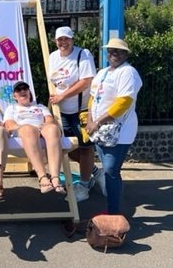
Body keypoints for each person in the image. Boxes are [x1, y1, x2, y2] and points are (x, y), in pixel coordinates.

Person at [86, 38, 142, 215]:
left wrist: (97, 121)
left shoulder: (128, 72)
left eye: (118, 51)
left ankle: (113, 212)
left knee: (111, 170)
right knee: (107, 168)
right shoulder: (102, 72)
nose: (113, 54)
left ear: (125, 54)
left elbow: (123, 102)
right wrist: (89, 119)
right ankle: (112, 210)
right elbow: (93, 97)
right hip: (101, 131)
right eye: (110, 50)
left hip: (119, 132)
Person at [49, 26, 104, 202]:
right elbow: (53, 84)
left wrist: (62, 96)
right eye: (60, 39)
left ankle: (85, 185)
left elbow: (86, 81)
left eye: (66, 39)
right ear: (55, 41)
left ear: (72, 39)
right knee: (67, 149)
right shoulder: (52, 57)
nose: (63, 42)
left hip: (82, 110)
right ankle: (95, 172)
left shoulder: (83, 54)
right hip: (62, 111)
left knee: (85, 147)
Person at [3, 81, 66, 194]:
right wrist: (26, 127)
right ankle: (42, 177)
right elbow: (9, 125)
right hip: (24, 131)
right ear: (14, 96)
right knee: (29, 129)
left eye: (25, 89)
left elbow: (50, 120)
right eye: (19, 90)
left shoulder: (40, 106)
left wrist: (45, 125)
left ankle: (55, 177)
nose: (22, 91)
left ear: (29, 92)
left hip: (42, 130)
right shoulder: (12, 108)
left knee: (52, 128)